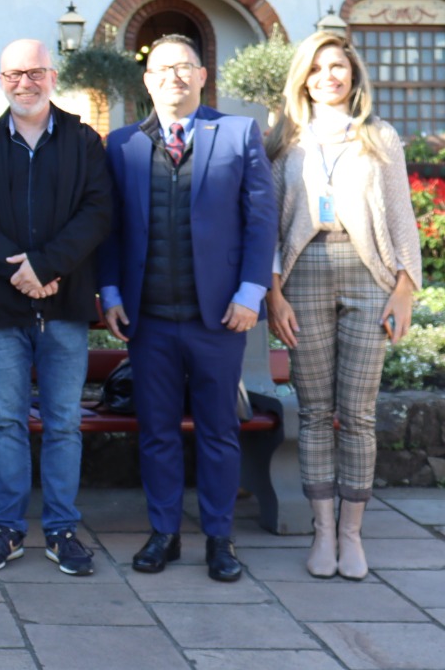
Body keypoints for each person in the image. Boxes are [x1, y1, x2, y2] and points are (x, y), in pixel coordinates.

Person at [99, 34, 276, 583]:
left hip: (220, 318)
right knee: (155, 431)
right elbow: (111, 228)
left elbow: (261, 220)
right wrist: (109, 292)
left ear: (202, 76)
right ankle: (165, 535)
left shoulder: (239, 133)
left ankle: (220, 540)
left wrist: (251, 293)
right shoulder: (121, 144)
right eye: (161, 69)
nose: (173, 76)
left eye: (184, 67)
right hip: (148, 319)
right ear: (146, 81)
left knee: (219, 430)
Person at [265, 31, 421, 581]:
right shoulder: (284, 138)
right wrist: (273, 290)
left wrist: (403, 289)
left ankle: (352, 535)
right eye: (318, 68)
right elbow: (269, 222)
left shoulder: (380, 136)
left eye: (339, 66)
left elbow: (401, 217)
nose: (329, 76)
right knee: (312, 413)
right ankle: (321, 532)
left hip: (368, 275)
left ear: (353, 75)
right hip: (303, 275)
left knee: (355, 413)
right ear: (302, 78)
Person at [0, 39, 112, 575]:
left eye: (35, 72)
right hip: (2, 308)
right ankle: (8, 528)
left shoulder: (85, 142)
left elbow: (96, 213)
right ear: (1, 80)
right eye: (14, 74)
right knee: (6, 423)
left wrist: (46, 267)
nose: (26, 83)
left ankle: (63, 529)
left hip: (63, 305)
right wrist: (18, 270)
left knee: (64, 422)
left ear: (53, 75)